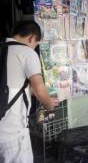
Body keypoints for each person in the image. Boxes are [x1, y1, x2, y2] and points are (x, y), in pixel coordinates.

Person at [0, 20, 59, 162]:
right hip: (13, 133)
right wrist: (50, 105)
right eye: (36, 44)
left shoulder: (3, 49)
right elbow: (39, 89)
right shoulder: (27, 53)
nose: (34, 48)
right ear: (31, 38)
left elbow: (11, 85)